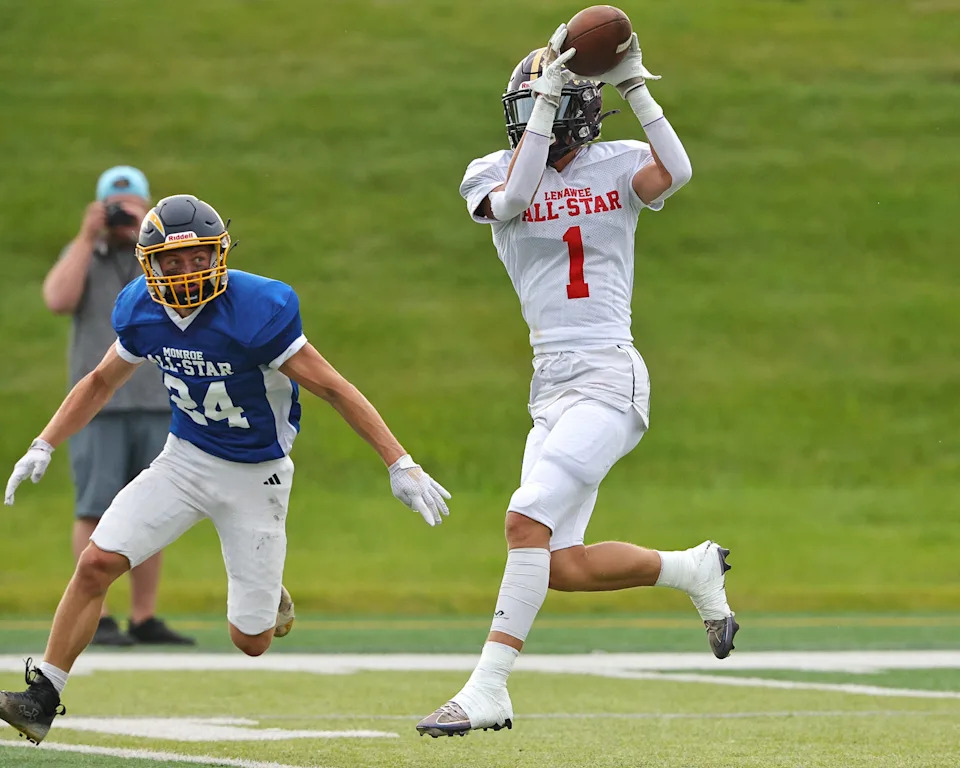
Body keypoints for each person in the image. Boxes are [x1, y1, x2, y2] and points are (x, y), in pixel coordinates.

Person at [1, 194, 451, 746]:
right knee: (96, 562)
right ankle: (41, 697)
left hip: (255, 475)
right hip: (183, 460)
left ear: (220, 253)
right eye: (171, 261)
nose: (185, 272)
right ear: (150, 265)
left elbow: (334, 388)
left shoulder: (257, 307)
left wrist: (399, 462)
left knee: (251, 640)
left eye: (197, 257)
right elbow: (100, 381)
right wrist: (44, 442)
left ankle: (269, 594)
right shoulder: (141, 308)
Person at [416, 25, 737, 738]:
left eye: (551, 101)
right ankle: (692, 571)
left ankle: (487, 690)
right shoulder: (489, 170)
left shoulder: (618, 162)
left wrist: (635, 89)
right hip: (550, 389)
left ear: (581, 110)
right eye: (528, 103)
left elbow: (676, 172)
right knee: (555, 562)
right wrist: (542, 110)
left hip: (608, 376)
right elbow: (510, 201)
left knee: (522, 521)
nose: (537, 113)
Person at [43, 165, 193, 647]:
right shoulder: (85, 253)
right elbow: (57, 299)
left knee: (154, 509)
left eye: (132, 206)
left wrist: (141, 237)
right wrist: (88, 236)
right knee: (95, 506)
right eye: (114, 205)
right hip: (99, 405)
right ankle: (100, 613)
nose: (121, 214)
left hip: (160, 398)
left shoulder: (162, 256)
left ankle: (144, 616)